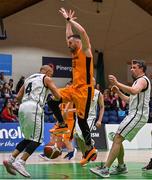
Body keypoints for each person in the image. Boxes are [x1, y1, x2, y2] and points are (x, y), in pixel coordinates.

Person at [48, 8, 97, 166]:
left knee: (82, 123)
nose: (68, 43)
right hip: (74, 88)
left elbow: (82, 31)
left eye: (70, 42)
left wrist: (71, 21)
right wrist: (66, 22)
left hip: (85, 90)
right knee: (53, 100)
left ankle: (90, 150)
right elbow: (68, 35)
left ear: (78, 42)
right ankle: (62, 124)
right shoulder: (73, 52)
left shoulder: (86, 51)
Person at [90, 60, 151, 178]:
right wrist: (118, 92)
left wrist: (117, 83)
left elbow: (134, 91)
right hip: (133, 114)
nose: (131, 69)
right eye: (131, 67)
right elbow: (129, 100)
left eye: (134, 67)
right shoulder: (137, 82)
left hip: (138, 115)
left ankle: (106, 169)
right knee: (117, 137)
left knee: (117, 138)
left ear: (141, 69)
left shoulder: (143, 80)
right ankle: (121, 166)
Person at [3, 65, 61, 178]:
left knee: (28, 138)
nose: (51, 76)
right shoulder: (46, 78)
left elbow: (18, 97)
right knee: (38, 139)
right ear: (48, 71)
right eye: (51, 73)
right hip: (34, 107)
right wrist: (52, 99)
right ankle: (21, 162)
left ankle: (11, 159)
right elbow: (58, 95)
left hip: (23, 107)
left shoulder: (28, 79)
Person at [75, 78, 104, 166]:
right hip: (80, 116)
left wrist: (99, 120)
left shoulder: (98, 93)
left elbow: (102, 107)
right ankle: (86, 155)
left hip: (90, 118)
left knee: (81, 134)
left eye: (93, 81)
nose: (91, 82)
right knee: (77, 136)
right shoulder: (81, 91)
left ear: (95, 83)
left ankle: (91, 147)